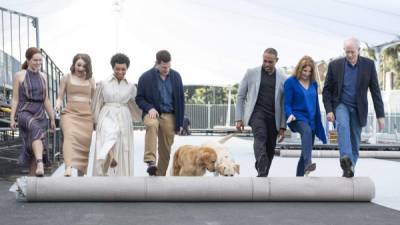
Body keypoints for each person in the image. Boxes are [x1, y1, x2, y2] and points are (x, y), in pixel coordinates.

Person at [322, 38, 385, 177]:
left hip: (358, 108)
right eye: (347, 52)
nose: (349, 55)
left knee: (355, 143)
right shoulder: (335, 65)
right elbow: (326, 90)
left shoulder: (368, 65)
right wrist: (329, 110)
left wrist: (381, 116)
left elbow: (375, 91)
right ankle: (346, 158)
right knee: (343, 127)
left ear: (359, 50)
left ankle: (349, 169)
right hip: (341, 104)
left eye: (352, 52)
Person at [235, 48, 287, 177]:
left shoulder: (283, 78)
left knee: (270, 147)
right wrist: (238, 118)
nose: (267, 64)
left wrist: (282, 126)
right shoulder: (251, 73)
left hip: (274, 117)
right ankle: (261, 161)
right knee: (260, 136)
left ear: (277, 61)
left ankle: (262, 172)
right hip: (256, 113)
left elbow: (284, 103)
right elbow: (240, 96)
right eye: (265, 61)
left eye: (270, 62)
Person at [90, 53, 141, 176]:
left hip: (123, 115)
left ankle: (121, 178)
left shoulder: (131, 86)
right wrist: (94, 121)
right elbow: (97, 102)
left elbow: (136, 102)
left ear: (127, 69)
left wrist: (144, 113)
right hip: (107, 113)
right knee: (107, 138)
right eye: (117, 68)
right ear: (113, 68)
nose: (120, 71)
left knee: (123, 146)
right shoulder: (103, 83)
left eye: (123, 69)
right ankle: (104, 170)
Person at [136, 50, 185, 176]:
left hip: (169, 115)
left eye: (169, 66)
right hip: (152, 112)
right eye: (164, 67)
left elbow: (180, 100)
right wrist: (149, 107)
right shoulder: (145, 77)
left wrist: (179, 123)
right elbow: (139, 98)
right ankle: (150, 161)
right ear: (156, 63)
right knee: (151, 125)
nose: (167, 69)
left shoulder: (176, 77)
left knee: (166, 150)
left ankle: (159, 175)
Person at [10, 47, 56, 177]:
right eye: (35, 60)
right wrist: (12, 118)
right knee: (36, 130)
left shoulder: (44, 76)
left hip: (40, 113)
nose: (38, 63)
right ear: (28, 60)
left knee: (33, 148)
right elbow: (15, 99)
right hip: (24, 111)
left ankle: (32, 182)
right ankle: (41, 163)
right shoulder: (19, 75)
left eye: (40, 60)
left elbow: (46, 100)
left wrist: (52, 118)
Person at [284, 56, 327, 176]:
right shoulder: (290, 82)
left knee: (305, 152)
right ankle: (308, 163)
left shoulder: (313, 84)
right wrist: (290, 114)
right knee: (306, 131)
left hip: (311, 119)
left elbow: (315, 104)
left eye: (309, 71)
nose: (307, 74)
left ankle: (299, 179)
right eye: (304, 71)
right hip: (296, 118)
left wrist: (318, 121)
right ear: (299, 69)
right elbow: (287, 103)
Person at [55, 54, 95, 177]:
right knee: (69, 136)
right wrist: (58, 105)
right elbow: (60, 97)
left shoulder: (91, 80)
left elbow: (93, 101)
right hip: (69, 114)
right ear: (74, 64)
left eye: (84, 66)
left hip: (87, 116)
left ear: (88, 67)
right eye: (79, 65)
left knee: (84, 145)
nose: (81, 68)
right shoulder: (66, 77)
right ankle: (68, 167)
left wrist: (96, 117)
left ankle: (80, 175)